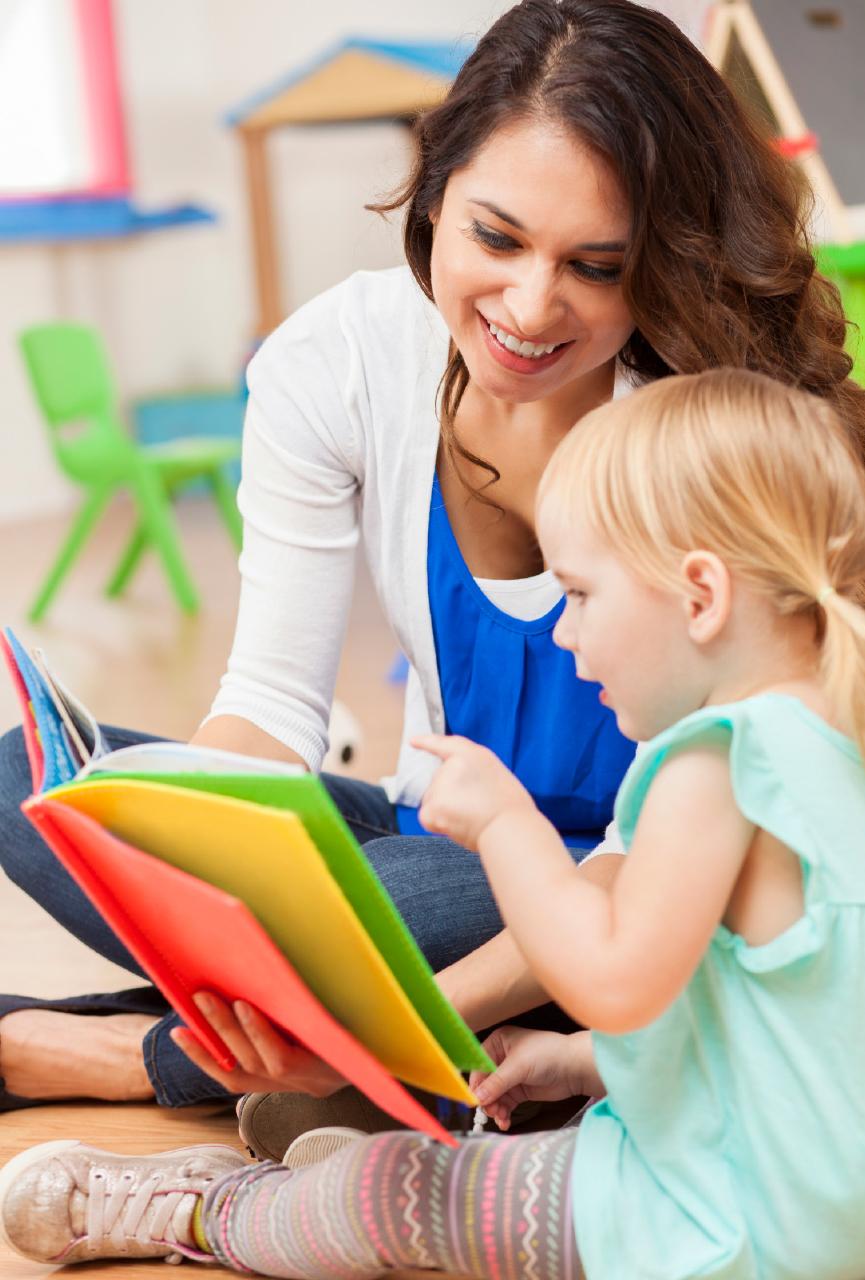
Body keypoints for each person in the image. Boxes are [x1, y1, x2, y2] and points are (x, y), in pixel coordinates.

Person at [1, 0, 864, 1119]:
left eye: (595, 266)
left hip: (629, 872)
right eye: (495, 238)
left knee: (415, 902)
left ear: (658, 257)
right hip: (447, 830)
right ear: (433, 192)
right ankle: (302, 1026)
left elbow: (688, 837)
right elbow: (267, 707)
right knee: (39, 784)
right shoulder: (340, 362)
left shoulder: (699, 426)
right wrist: (200, 852)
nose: (529, 305)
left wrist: (394, 967)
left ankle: (122, 1057)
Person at [6, 365, 865, 1279]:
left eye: (577, 595)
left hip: (696, 1217)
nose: (565, 635)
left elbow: (618, 978)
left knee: (393, 1195)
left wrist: (508, 831)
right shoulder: (825, 743)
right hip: (788, 1200)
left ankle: (210, 1209)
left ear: (700, 596)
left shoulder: (712, 759)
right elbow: (794, 1032)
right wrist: (585, 1063)